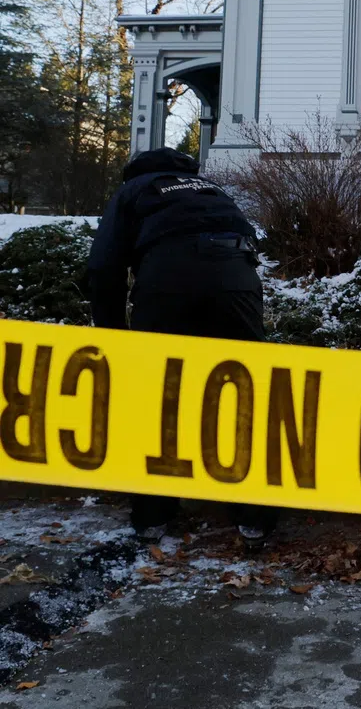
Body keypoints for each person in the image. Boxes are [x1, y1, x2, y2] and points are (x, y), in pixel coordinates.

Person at [87, 147, 277, 549]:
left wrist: (112, 337)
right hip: (237, 279)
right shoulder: (208, 188)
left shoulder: (134, 190)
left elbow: (104, 266)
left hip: (168, 277)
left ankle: (153, 516)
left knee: (159, 394)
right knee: (240, 390)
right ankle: (254, 516)